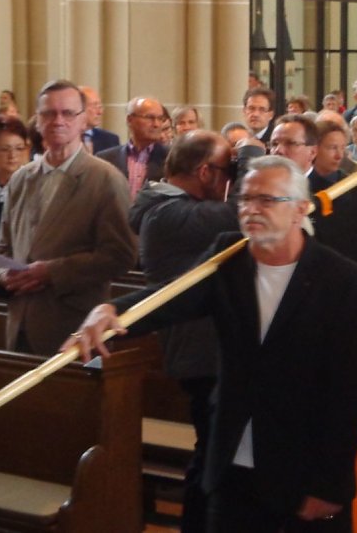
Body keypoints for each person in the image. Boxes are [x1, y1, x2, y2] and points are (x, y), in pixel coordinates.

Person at [64, 155, 357, 533]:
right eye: (244, 199)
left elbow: (351, 394)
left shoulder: (342, 281)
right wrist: (111, 310)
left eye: (266, 200)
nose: (251, 210)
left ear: (300, 209)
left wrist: (329, 485)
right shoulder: (229, 257)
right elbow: (171, 298)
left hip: (302, 472)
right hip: (231, 465)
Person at [129, 130, 264, 532]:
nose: (229, 179)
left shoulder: (172, 208)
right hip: (201, 355)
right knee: (211, 463)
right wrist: (254, 159)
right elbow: (244, 212)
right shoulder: (167, 214)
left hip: (205, 351)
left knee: (213, 459)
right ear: (205, 171)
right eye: (228, 170)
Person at [0, 79, 136, 355]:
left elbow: (121, 255)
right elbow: (4, 248)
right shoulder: (21, 178)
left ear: (84, 121)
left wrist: (52, 271)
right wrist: (2, 276)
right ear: (37, 121)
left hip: (71, 325)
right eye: (49, 113)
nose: (58, 120)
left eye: (68, 113)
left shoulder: (105, 179)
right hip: (19, 322)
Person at [96, 96, 170, 201]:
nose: (157, 124)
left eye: (160, 119)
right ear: (130, 120)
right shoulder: (105, 159)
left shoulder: (171, 158)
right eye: (150, 117)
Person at [0, 116, 30, 255]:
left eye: (19, 148)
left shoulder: (34, 187)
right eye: (5, 149)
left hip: (23, 269)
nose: (13, 155)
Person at [79, 86, 120, 154]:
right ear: (79, 107)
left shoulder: (110, 139)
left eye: (100, 107)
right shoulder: (65, 137)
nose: (100, 112)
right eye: (95, 106)